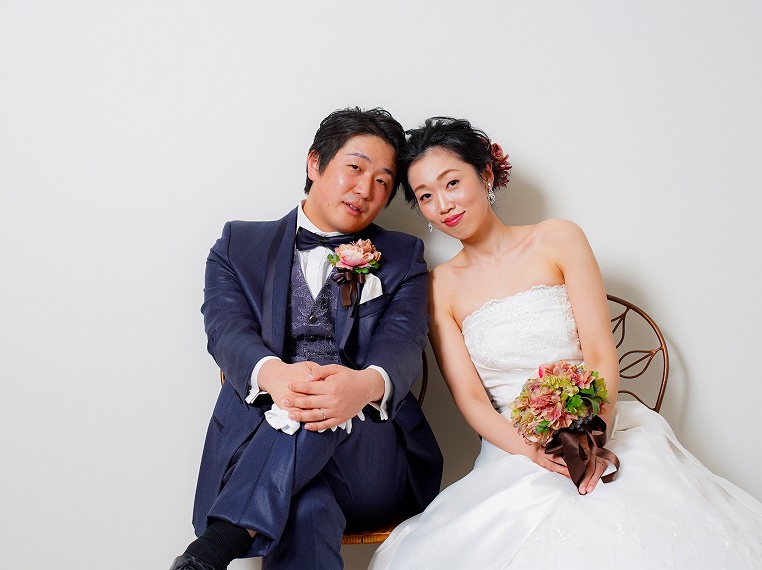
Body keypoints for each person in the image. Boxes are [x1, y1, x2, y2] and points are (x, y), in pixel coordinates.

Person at [368, 117, 762, 569]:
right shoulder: (440, 286)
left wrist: (595, 437)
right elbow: (472, 400)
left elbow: (599, 352)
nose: (443, 205)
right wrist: (534, 452)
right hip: (515, 446)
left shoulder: (559, 238)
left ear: (486, 174)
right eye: (425, 196)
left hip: (601, 421)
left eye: (451, 182)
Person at [171, 107, 444, 570]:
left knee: (326, 406)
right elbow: (226, 330)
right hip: (257, 442)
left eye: (383, 181)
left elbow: (403, 342)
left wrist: (362, 385)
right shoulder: (237, 245)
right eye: (355, 168)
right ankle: (220, 544)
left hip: (370, 458)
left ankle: (219, 544)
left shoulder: (402, 256)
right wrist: (274, 376)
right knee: (306, 507)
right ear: (315, 163)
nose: (366, 190)